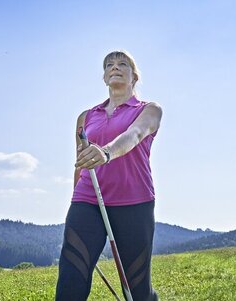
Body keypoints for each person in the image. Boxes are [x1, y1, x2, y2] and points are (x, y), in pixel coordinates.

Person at [56, 50, 162, 301]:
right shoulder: (86, 117)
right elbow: (80, 163)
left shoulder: (149, 110)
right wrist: (75, 201)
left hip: (133, 201)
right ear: (104, 77)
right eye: (109, 65)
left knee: (137, 286)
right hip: (87, 201)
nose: (115, 67)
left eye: (122, 63)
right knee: (72, 276)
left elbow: (134, 135)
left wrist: (106, 152)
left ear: (134, 76)